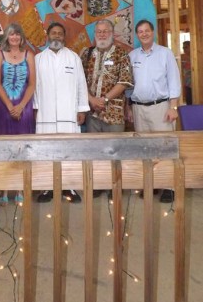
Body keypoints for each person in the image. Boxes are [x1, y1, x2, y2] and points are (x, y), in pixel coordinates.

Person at [34, 22, 89, 204]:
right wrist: (35, 108)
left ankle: (69, 187)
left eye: (60, 34)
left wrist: (82, 109)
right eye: (53, 33)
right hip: (45, 113)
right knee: (46, 151)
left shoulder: (73, 58)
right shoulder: (38, 59)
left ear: (64, 37)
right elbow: (34, 87)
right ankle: (46, 188)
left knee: (69, 151)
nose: (56, 36)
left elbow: (81, 84)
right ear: (48, 36)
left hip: (69, 114)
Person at [127, 19, 181, 203]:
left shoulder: (165, 53)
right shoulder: (132, 56)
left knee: (165, 146)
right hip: (138, 108)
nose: (144, 34)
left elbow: (174, 80)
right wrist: (128, 106)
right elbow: (129, 85)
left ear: (153, 32)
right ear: (137, 35)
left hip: (161, 107)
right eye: (140, 32)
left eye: (147, 31)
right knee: (145, 149)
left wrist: (173, 107)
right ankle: (151, 184)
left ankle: (169, 186)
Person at [81, 19, 133, 198]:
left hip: (114, 112)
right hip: (91, 112)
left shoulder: (121, 54)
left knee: (115, 150)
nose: (102, 34)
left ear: (112, 33)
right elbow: (79, 81)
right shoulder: (86, 54)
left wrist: (103, 99)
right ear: (95, 34)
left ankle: (115, 186)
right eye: (99, 31)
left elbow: (124, 81)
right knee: (94, 150)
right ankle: (97, 184)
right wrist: (91, 99)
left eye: (106, 31)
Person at [0, 22, 36, 205]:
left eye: (18, 34)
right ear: (7, 37)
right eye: (11, 34)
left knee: (22, 147)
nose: (15, 37)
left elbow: (32, 84)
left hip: (24, 106)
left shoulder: (29, 55)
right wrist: (10, 106)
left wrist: (21, 106)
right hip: (3, 106)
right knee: (3, 148)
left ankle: (19, 188)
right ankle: (3, 189)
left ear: (22, 37)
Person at [181, 40, 192, 105]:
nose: (184, 49)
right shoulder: (182, 57)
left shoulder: (196, 56)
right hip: (187, 84)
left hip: (196, 84)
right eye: (183, 48)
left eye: (186, 47)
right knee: (189, 101)